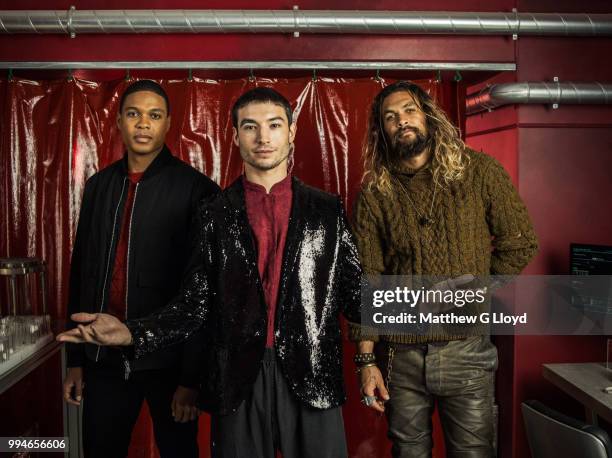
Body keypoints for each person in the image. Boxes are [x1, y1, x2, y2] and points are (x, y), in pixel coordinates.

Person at [58, 87, 362, 458]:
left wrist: (439, 306)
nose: (263, 137)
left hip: (313, 374)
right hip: (235, 381)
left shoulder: (326, 210)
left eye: (274, 125)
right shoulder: (214, 212)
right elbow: (193, 305)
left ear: (292, 132)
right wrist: (130, 333)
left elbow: (356, 295)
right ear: (235, 135)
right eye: (250, 126)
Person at [350, 81, 538, 457]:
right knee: (408, 452)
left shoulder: (480, 172)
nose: (401, 121)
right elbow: (367, 280)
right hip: (399, 356)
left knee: (473, 452)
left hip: (466, 351)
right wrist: (366, 360)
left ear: (428, 116)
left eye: (408, 110)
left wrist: (474, 290)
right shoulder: (374, 195)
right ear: (382, 132)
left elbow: (521, 243)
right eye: (390, 117)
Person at [62, 80, 219, 458]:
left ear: (168, 124)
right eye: (134, 114)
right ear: (119, 122)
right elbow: (81, 269)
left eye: (154, 116)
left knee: (179, 451)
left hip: (169, 362)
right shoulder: (99, 186)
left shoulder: (197, 189)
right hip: (102, 359)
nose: (143, 124)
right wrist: (77, 362)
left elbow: (204, 293)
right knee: (100, 450)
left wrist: (191, 380)